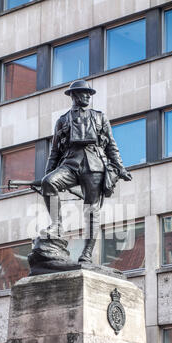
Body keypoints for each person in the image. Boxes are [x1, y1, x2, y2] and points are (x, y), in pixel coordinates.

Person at [41, 79, 132, 264]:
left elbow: (111, 145)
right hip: (71, 163)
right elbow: (55, 151)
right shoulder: (63, 120)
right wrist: (46, 175)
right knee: (49, 182)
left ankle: (87, 252)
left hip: (95, 164)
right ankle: (57, 225)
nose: (87, 97)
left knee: (91, 210)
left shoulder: (100, 117)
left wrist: (120, 167)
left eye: (89, 94)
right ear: (74, 96)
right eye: (83, 93)